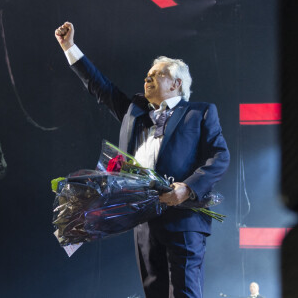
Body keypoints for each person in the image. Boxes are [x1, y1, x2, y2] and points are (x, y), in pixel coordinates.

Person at [55, 22, 230, 298]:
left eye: (155, 75)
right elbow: (101, 88)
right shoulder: (135, 111)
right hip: (145, 221)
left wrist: (188, 188)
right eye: (147, 75)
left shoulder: (200, 113)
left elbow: (220, 155)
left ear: (176, 83)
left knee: (185, 293)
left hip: (184, 218)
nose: (146, 78)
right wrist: (69, 48)